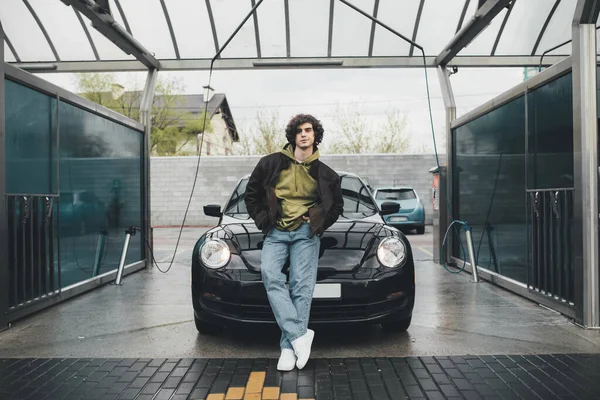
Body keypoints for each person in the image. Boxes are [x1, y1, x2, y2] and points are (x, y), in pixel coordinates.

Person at [244, 114, 343, 371]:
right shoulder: (270, 164)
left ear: (315, 135)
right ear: (293, 136)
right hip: (276, 233)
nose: (304, 134)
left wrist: (317, 222)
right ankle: (300, 336)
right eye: (299, 130)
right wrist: (265, 221)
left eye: (308, 130)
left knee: (301, 285)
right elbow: (251, 195)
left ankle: (287, 349)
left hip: (305, 234)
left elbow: (336, 206)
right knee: (269, 273)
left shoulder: (327, 174)